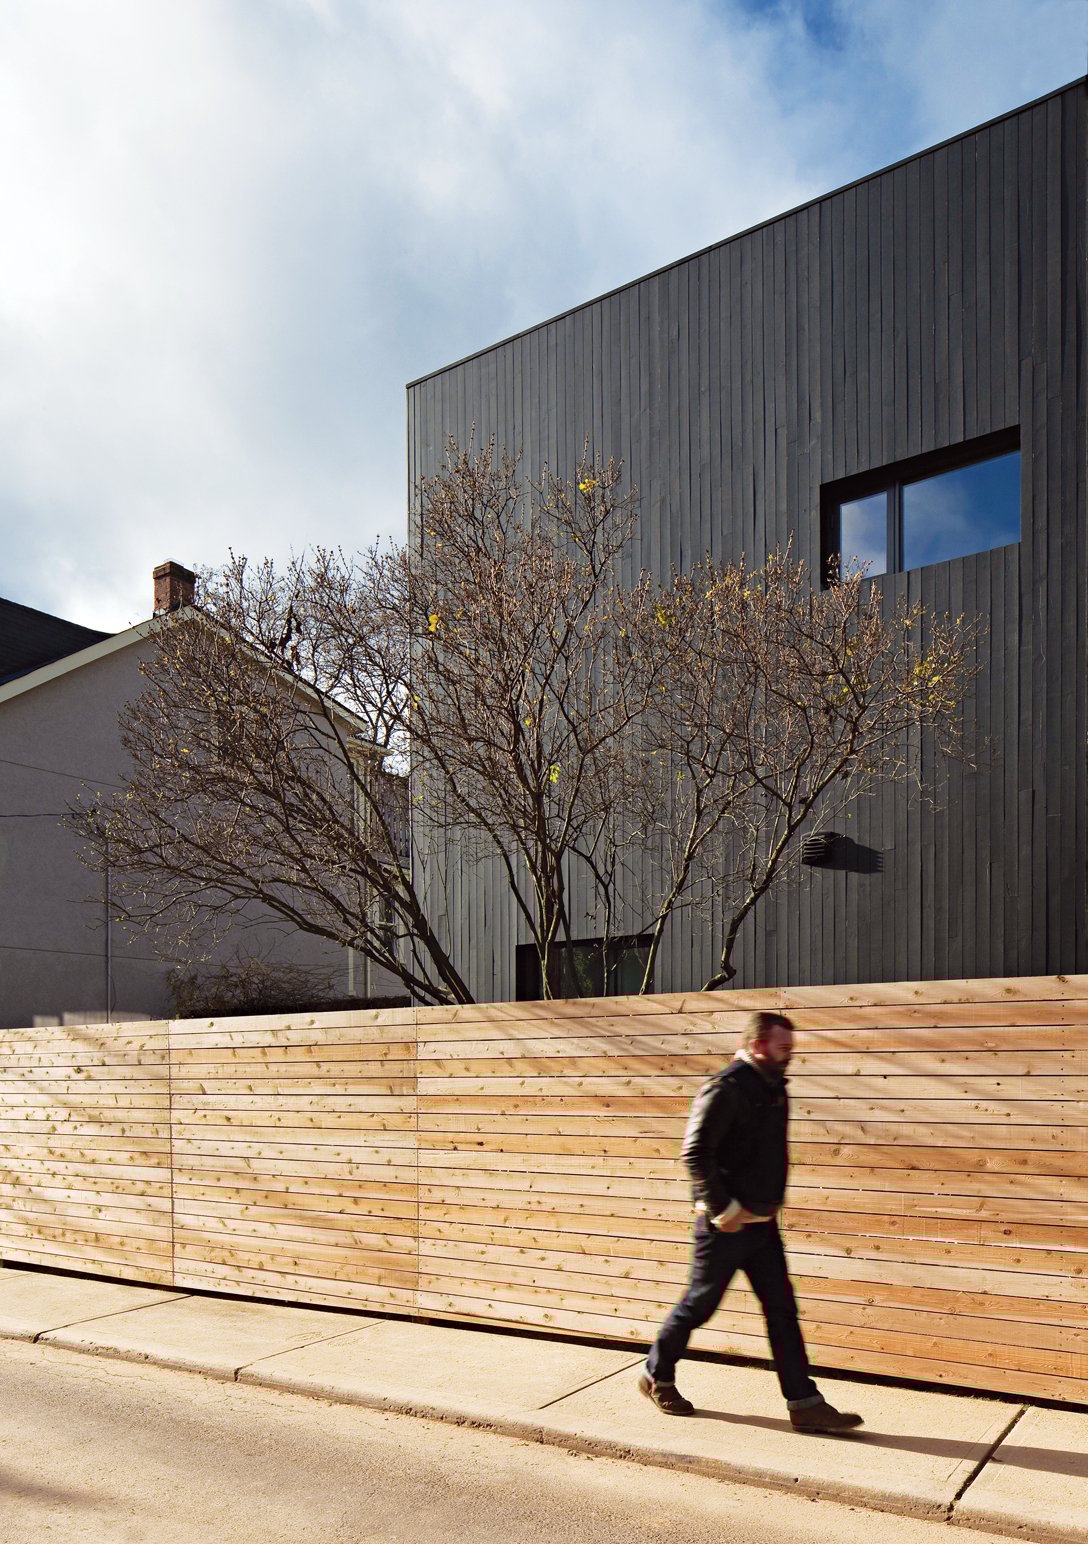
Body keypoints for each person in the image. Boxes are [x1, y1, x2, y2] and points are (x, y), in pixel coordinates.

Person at [640, 1010, 863, 1433]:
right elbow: (695, 1153)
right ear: (759, 1044)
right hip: (725, 1226)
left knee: (782, 1311)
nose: (789, 1056)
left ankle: (805, 1405)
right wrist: (723, 1208)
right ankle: (657, 1375)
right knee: (698, 1307)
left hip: (762, 1225)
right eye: (783, 1049)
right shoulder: (725, 1089)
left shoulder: (772, 1087)